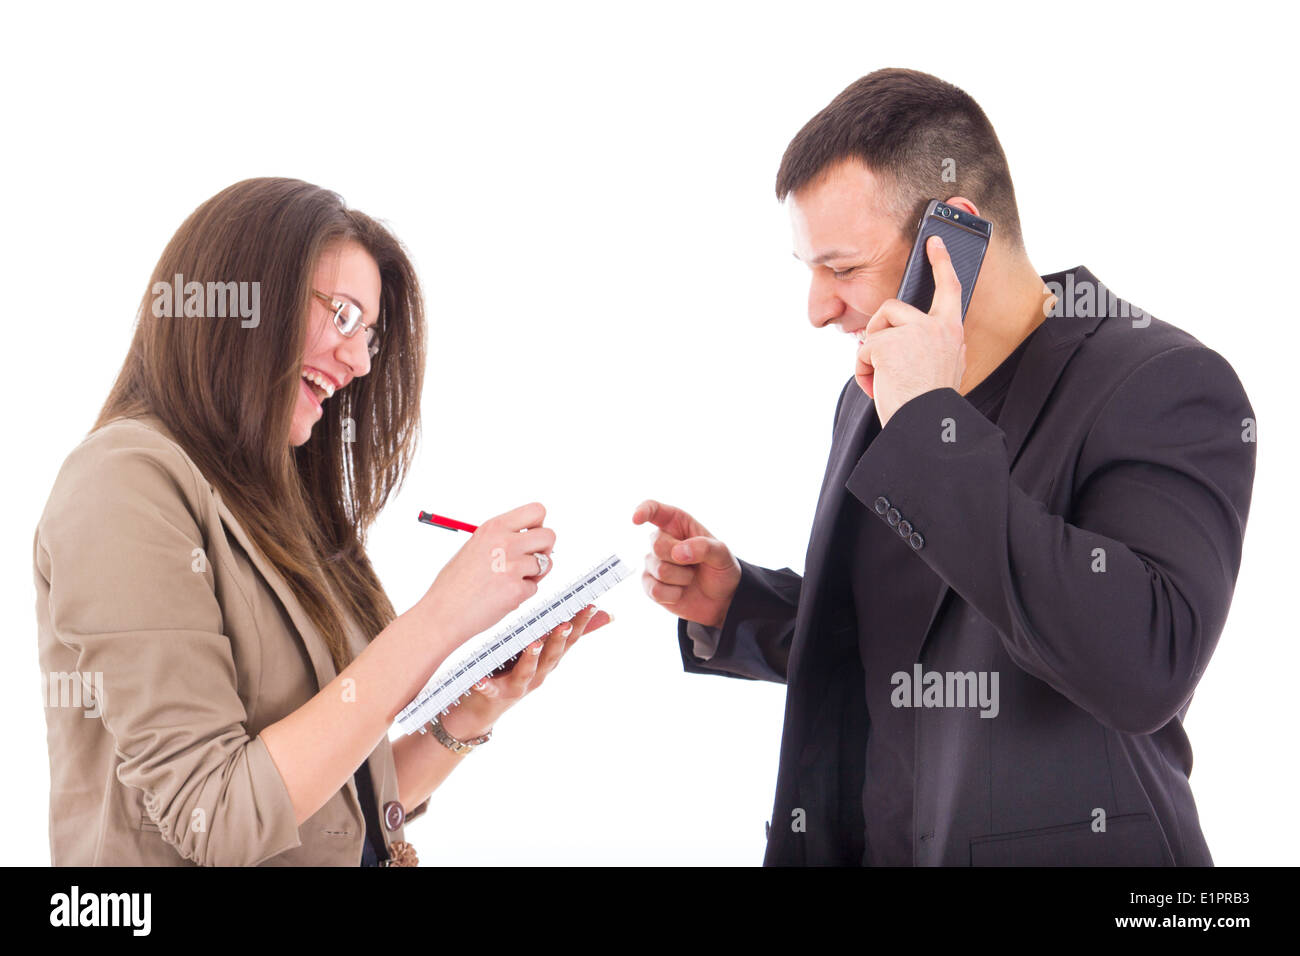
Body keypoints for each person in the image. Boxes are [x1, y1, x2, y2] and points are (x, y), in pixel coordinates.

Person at [634, 68, 1256, 865]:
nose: (818, 308)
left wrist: (930, 428)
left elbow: (1143, 666)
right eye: (809, 271)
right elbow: (917, 646)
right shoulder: (870, 397)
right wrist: (740, 605)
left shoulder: (1161, 383)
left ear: (951, 237)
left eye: (842, 268)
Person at [34, 177, 610, 866]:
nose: (362, 360)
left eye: (368, 334)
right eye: (342, 316)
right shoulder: (123, 483)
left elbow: (331, 810)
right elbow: (218, 817)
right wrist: (442, 615)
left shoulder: (275, 503)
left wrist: (471, 714)